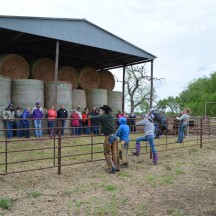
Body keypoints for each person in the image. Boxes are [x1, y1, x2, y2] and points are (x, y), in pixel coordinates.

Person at [89, 105, 120, 174]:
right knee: (114, 152)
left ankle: (111, 168)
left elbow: (91, 118)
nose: (101, 111)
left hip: (108, 137)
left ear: (104, 111)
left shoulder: (103, 116)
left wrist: (90, 115)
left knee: (107, 153)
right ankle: (117, 166)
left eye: (102, 110)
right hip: (114, 136)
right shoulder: (111, 116)